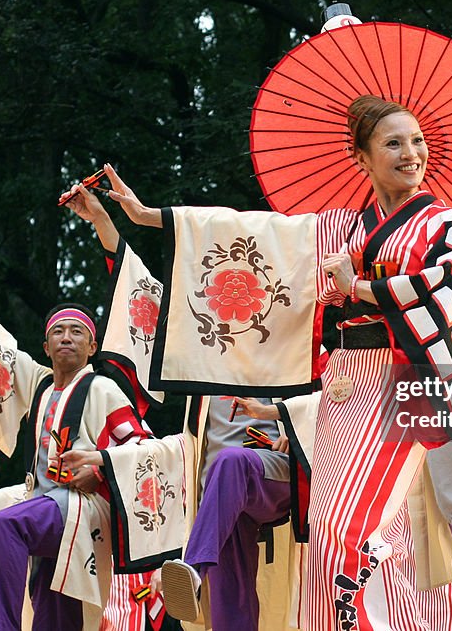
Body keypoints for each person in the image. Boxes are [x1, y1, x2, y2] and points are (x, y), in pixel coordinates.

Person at [97, 94, 452, 630]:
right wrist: (148, 217)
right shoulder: (344, 227)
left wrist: (363, 288)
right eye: (392, 143)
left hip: (411, 383)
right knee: (326, 535)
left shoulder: (446, 224)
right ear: (362, 158)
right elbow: (257, 234)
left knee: (359, 531)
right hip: (344, 389)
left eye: (416, 141)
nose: (410, 153)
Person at [58, 178, 312, 630]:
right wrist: (100, 217)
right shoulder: (200, 342)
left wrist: (294, 432)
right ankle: (203, 570)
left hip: (275, 477)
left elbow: (333, 405)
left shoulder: (295, 337)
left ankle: (192, 569)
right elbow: (140, 291)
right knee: (232, 606)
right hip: (216, 490)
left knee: (232, 465)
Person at [0, 258, 149, 631]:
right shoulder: (41, 388)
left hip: (83, 509)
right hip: (48, 508)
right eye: (59, 331)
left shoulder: (103, 388)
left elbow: (142, 449)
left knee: (7, 525)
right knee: (53, 621)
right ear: (45, 346)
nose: (67, 337)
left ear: (93, 346)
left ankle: (1, 626)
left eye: (77, 332)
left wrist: (99, 467)